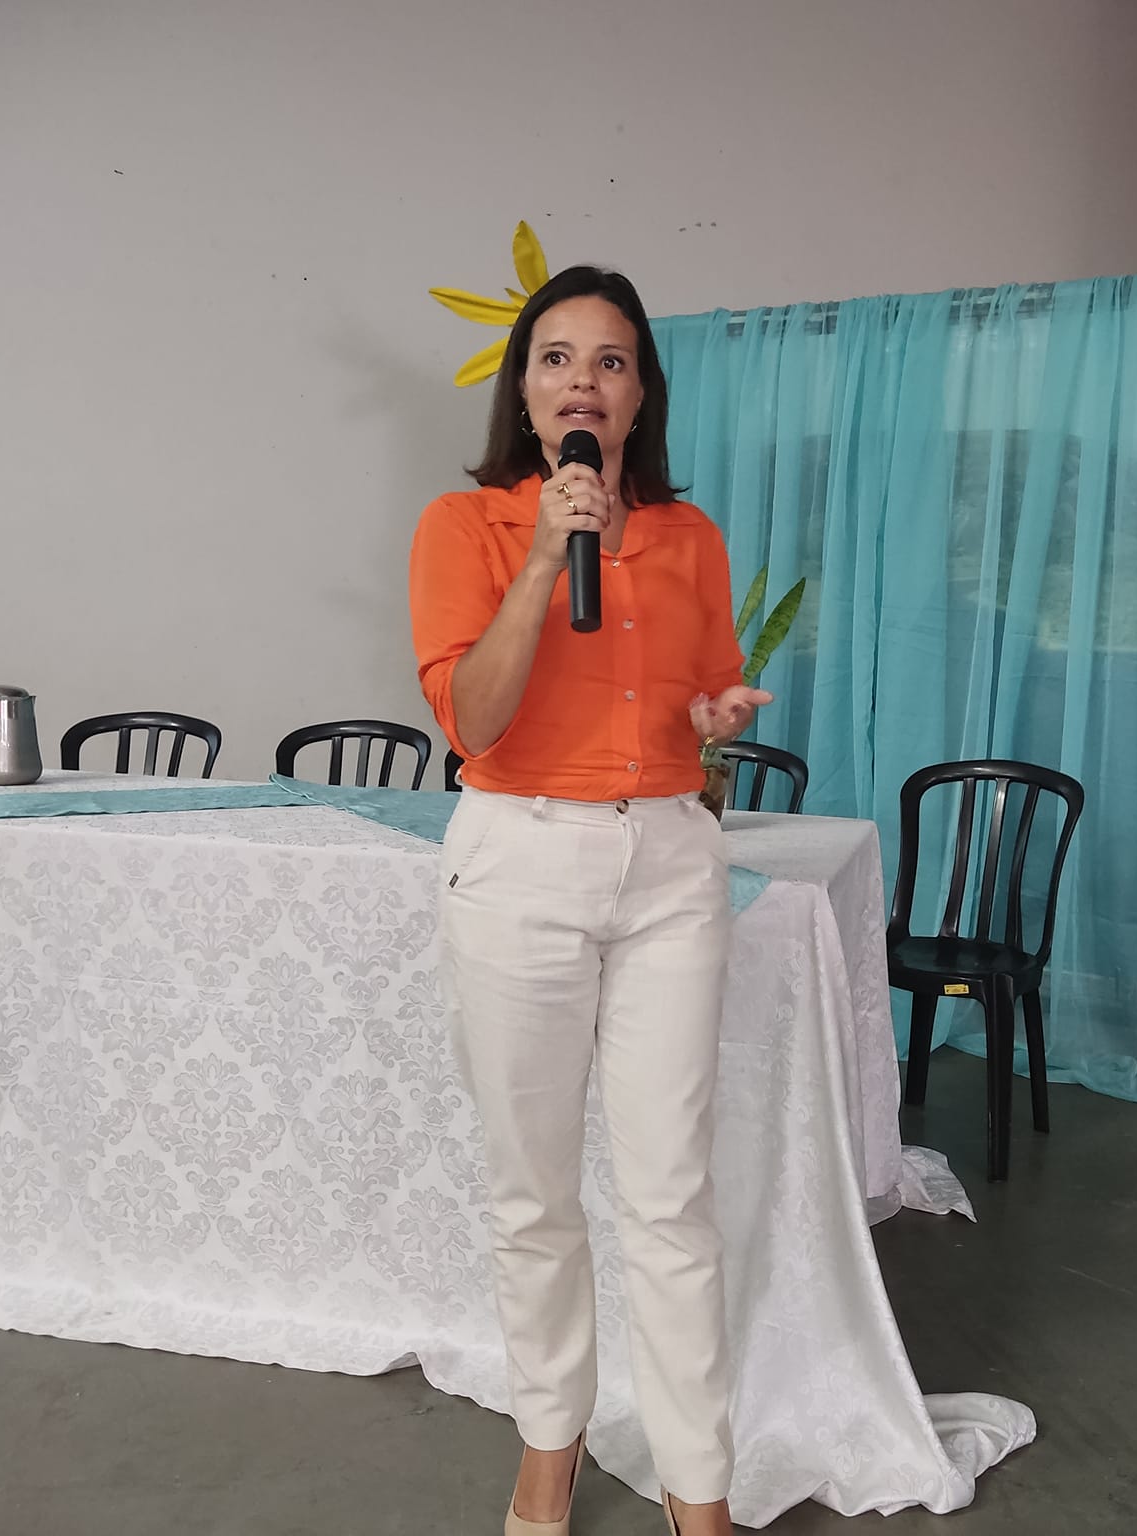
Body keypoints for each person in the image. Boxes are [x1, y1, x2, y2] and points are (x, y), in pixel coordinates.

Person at [408, 265, 769, 1536]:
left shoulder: (691, 537)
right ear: (523, 388)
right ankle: (547, 1455)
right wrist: (541, 561)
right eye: (556, 357)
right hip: (519, 861)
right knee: (535, 1196)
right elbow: (474, 719)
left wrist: (713, 718)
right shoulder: (463, 526)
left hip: (667, 863)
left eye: (610, 361)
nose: (582, 382)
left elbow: (704, 693)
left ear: (639, 394)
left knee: (670, 1197)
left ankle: (697, 1493)